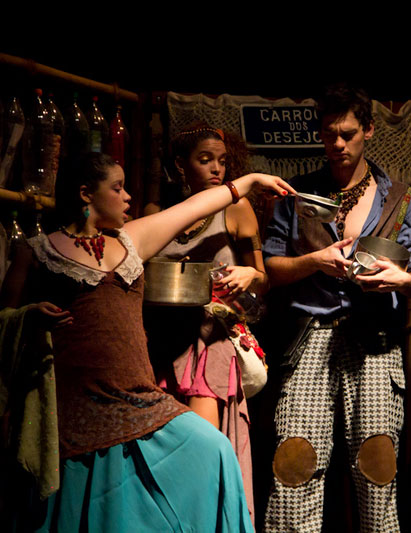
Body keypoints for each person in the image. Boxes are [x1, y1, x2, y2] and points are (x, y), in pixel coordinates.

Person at [0, 152, 293, 532]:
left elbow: (192, 208)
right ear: (86, 194)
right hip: (75, 407)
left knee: (215, 449)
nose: (128, 198)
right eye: (117, 188)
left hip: (136, 397)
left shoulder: (130, 240)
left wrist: (249, 181)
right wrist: (29, 316)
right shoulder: (38, 252)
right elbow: (4, 320)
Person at [261, 83, 411, 532]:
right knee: (294, 464)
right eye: (329, 134)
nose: (337, 144)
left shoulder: (402, 199)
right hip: (311, 338)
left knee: (377, 469)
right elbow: (271, 268)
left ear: (368, 130)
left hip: (374, 338)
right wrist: (314, 261)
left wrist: (401, 279)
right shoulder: (297, 195)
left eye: (348, 134)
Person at [143, 124, 265, 524]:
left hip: (211, 341)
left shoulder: (236, 209)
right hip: (164, 341)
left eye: (222, 161)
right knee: (163, 454)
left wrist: (249, 274)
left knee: (200, 450)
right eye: (205, 160)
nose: (217, 169)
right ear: (181, 165)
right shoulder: (159, 215)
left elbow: (263, 278)